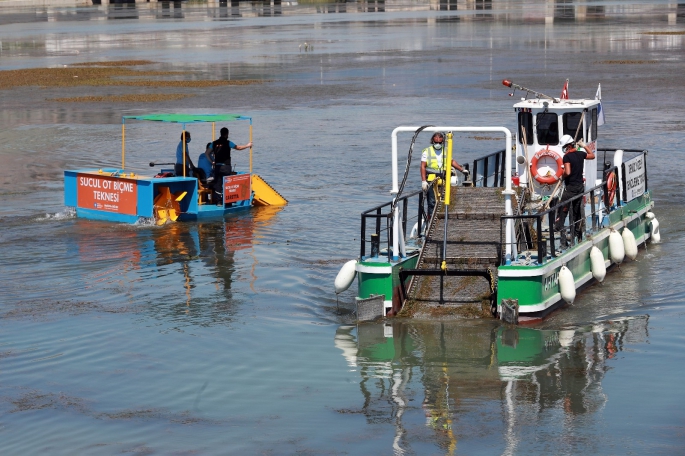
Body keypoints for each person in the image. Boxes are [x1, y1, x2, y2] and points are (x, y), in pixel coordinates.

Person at [554, 134, 595, 248]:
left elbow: (567, 172)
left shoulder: (567, 157)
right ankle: (576, 235)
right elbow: (592, 156)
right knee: (576, 211)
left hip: (571, 187)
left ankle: (562, 240)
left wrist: (561, 176)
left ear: (567, 146)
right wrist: (584, 146)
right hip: (580, 186)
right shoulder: (580, 153)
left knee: (562, 210)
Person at [420, 132, 468, 217]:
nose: (438, 144)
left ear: (442, 142)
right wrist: (424, 181)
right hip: (431, 178)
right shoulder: (427, 151)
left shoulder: (446, 150)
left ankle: (445, 214)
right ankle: (431, 218)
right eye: (436, 142)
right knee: (431, 201)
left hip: (444, 176)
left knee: (446, 198)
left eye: (439, 143)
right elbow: (423, 166)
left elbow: (451, 161)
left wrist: (462, 170)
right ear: (432, 141)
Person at [212, 127, 253, 198]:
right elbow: (238, 147)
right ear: (227, 134)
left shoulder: (214, 143)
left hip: (217, 167)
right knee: (228, 184)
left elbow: (207, 153)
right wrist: (247, 145)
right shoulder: (228, 143)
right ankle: (227, 201)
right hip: (226, 166)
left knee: (218, 183)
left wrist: (211, 161)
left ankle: (218, 201)